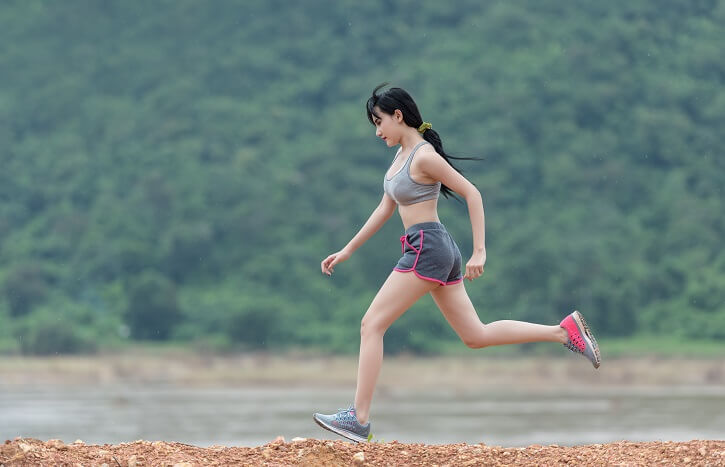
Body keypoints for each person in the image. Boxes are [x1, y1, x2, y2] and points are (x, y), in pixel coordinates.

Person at [313, 84, 600, 443]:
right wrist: (348, 249)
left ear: (398, 116)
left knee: (371, 325)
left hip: (427, 249)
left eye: (379, 121)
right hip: (435, 249)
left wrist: (480, 251)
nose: (377, 131)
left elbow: (472, 193)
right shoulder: (401, 157)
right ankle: (563, 332)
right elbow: (385, 208)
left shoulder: (423, 156)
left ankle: (358, 418)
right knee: (475, 335)